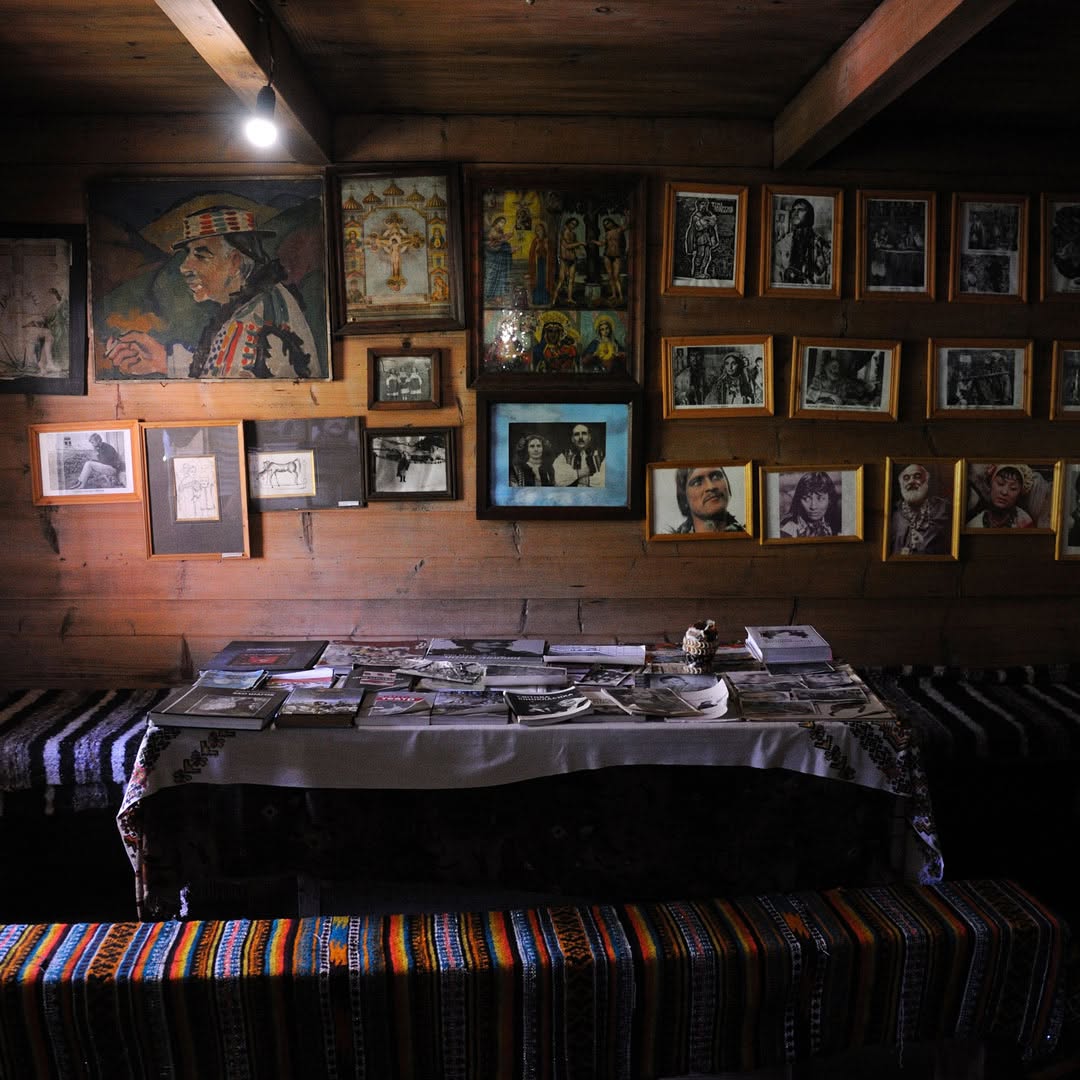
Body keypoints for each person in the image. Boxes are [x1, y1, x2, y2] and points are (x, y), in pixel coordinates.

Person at [103, 206, 320, 379]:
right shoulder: (259, 304)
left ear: (234, 262)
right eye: (188, 254)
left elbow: (228, 388)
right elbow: (223, 367)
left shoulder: (253, 322)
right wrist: (163, 360)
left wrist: (165, 362)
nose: (184, 267)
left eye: (201, 255)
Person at [888, 463, 952, 555]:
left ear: (926, 481)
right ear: (901, 484)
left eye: (917, 476)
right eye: (906, 478)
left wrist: (923, 547)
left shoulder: (943, 508)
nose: (911, 481)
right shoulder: (892, 512)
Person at [774, 197, 831, 285]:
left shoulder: (820, 244)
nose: (795, 213)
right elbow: (777, 273)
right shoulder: (782, 244)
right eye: (794, 210)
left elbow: (823, 276)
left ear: (809, 215)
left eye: (801, 210)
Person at [669, 466, 743, 533]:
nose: (711, 487)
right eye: (697, 483)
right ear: (684, 497)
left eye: (716, 477)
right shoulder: (673, 542)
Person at [967, 464, 1034, 529]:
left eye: (1013, 488)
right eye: (1000, 483)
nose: (1004, 492)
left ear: (1019, 493)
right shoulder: (974, 525)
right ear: (990, 484)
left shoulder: (1025, 521)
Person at [779, 471, 841, 538]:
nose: (813, 506)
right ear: (799, 500)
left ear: (829, 500)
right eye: (806, 499)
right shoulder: (787, 531)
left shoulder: (828, 527)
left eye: (820, 499)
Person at [591, 216, 628, 301]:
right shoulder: (607, 233)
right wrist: (594, 242)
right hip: (607, 255)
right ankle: (614, 295)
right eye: (605, 224)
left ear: (612, 222)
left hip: (616, 255)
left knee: (616, 276)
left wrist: (626, 216)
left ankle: (620, 296)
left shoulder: (618, 230)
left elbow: (626, 225)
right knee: (610, 276)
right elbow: (602, 243)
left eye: (608, 223)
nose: (607, 225)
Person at [551, 217, 587, 305]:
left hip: (572, 259)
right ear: (568, 223)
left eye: (575, 225)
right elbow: (567, 246)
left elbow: (575, 246)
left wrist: (580, 251)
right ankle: (554, 299)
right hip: (564, 259)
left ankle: (569, 298)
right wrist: (579, 243)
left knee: (571, 280)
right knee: (561, 280)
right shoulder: (563, 233)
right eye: (572, 224)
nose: (573, 226)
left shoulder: (573, 234)